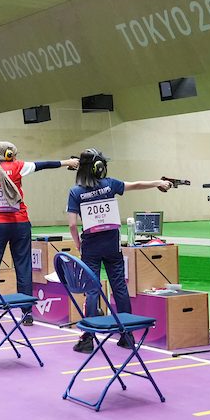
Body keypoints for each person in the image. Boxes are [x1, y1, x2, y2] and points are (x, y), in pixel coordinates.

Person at [66, 148, 172, 353]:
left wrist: (79, 244)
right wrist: (157, 183)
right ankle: (127, 335)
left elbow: (72, 224)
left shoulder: (76, 191)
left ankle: (88, 338)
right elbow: (136, 185)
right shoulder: (110, 184)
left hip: (91, 246)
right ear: (99, 167)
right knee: (119, 288)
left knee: (92, 290)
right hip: (112, 245)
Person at [0, 141, 78, 328]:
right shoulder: (19, 167)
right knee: (23, 266)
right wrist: (67, 162)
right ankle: (27, 313)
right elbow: (44, 165)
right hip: (20, 223)